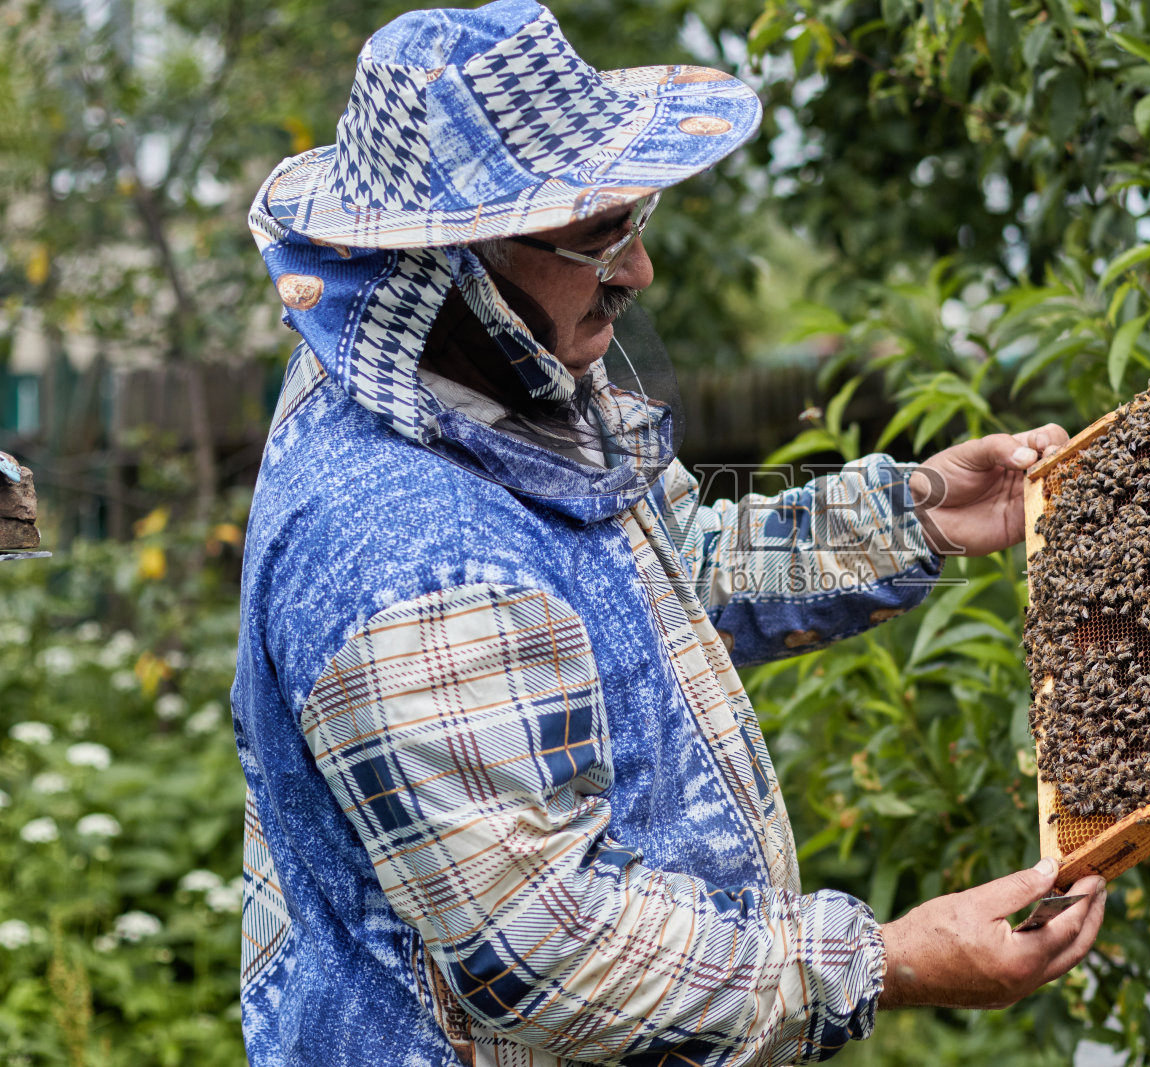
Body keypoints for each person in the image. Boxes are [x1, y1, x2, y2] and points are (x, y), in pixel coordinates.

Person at [233, 3, 1105, 1064]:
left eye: (631, 217)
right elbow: (550, 950)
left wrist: (909, 514)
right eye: (598, 233)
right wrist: (883, 958)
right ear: (452, 258)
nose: (637, 270)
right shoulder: (405, 555)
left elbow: (652, 577)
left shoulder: (477, 369)